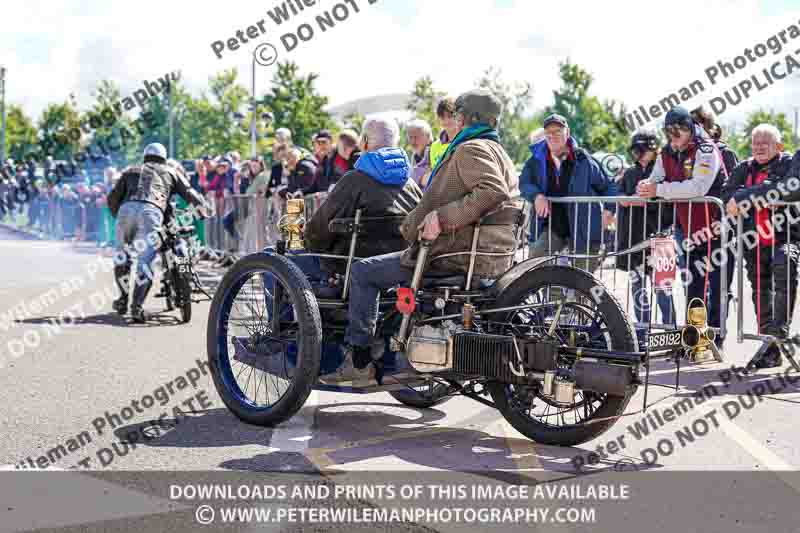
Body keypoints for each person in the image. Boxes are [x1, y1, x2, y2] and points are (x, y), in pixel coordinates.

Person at [320, 90, 523, 384]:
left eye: (456, 115)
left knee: (363, 271)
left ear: (466, 117)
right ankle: (400, 349)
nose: (451, 121)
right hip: (480, 255)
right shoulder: (497, 150)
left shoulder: (471, 148)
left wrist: (441, 218)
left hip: (450, 255)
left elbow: (492, 192)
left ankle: (360, 362)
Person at [636, 106, 733, 350]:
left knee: (719, 286)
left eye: (678, 130)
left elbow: (698, 187)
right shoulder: (666, 152)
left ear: (690, 128)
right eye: (668, 131)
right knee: (694, 286)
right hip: (689, 230)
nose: (673, 135)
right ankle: (696, 340)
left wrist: (659, 190)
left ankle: (716, 338)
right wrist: (646, 186)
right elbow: (656, 177)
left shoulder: (706, 148)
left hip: (718, 229)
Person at [302, 116, 422, 280]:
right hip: (399, 270)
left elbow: (317, 231)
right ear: (395, 144)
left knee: (273, 258)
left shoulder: (354, 181)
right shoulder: (411, 185)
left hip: (344, 268)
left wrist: (306, 242)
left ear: (364, 141)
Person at [107, 143, 209, 323]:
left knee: (122, 256)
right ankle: (136, 308)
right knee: (145, 262)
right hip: (151, 212)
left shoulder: (131, 170)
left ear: (145, 156)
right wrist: (203, 211)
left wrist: (119, 216)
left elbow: (113, 197)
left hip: (126, 210)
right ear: (164, 157)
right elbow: (190, 192)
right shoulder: (171, 171)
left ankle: (123, 300)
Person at [723, 124, 796, 368]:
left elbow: (784, 190)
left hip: (786, 238)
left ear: (779, 146)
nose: (759, 147)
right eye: (755, 142)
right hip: (753, 241)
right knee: (760, 292)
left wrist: (746, 196)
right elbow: (727, 197)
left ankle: (779, 334)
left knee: (784, 268)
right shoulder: (744, 167)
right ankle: (769, 349)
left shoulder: (789, 164)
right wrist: (749, 197)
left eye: (765, 142)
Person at [521, 114, 617, 272]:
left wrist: (608, 210)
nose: (552, 136)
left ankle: (580, 297)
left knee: (583, 279)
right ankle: (553, 296)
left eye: (557, 131)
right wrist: (536, 195)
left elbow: (609, 186)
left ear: (567, 132)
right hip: (553, 226)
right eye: (548, 133)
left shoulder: (584, 160)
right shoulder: (535, 161)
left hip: (583, 229)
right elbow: (524, 183)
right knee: (537, 259)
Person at [617, 129, 674, 326]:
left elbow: (660, 201)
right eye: (635, 150)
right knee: (637, 288)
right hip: (634, 237)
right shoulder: (629, 173)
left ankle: (670, 332)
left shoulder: (664, 172)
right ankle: (642, 332)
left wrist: (637, 200)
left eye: (642, 149)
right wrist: (634, 200)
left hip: (660, 237)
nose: (638, 153)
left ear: (654, 149)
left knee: (663, 289)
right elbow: (621, 199)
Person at [430, 98, 459, 169]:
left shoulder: (466, 142)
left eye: (450, 116)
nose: (446, 121)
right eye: (442, 117)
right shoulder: (434, 146)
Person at [406, 119, 434, 187]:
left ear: (428, 137)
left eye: (416, 137)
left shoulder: (434, 153)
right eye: (410, 137)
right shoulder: (414, 156)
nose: (413, 141)